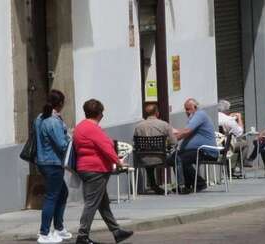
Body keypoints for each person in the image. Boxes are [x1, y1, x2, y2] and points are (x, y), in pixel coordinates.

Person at [73, 99, 133, 244]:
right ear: (100, 114)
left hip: (85, 167)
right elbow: (106, 147)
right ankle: (82, 235)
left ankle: (117, 231)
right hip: (95, 169)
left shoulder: (80, 127)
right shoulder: (93, 129)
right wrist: (118, 162)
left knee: (103, 203)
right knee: (92, 203)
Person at [34, 90, 72, 244]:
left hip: (43, 161)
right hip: (53, 163)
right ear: (60, 104)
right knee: (52, 196)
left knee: (62, 193)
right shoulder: (53, 121)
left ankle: (59, 228)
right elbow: (62, 145)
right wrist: (70, 137)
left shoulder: (40, 118)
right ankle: (44, 233)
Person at [172, 98, 218, 194]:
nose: (187, 112)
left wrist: (174, 139)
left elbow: (186, 131)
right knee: (173, 158)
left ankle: (198, 184)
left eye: (188, 109)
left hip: (206, 151)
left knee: (180, 158)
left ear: (195, 107)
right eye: (185, 110)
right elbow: (186, 132)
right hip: (196, 151)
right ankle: (187, 184)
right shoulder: (193, 118)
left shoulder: (199, 114)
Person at [133, 104, 177, 195]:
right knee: (177, 158)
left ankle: (153, 185)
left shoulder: (138, 127)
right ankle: (181, 184)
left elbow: (134, 143)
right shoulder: (164, 125)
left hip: (143, 159)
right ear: (157, 113)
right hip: (160, 158)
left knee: (148, 158)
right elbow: (174, 142)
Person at [217, 99, 251, 176]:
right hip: (226, 146)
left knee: (237, 142)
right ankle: (238, 167)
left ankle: (231, 169)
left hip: (215, 145)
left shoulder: (214, 117)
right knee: (245, 144)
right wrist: (239, 117)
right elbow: (240, 132)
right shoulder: (228, 120)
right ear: (227, 110)